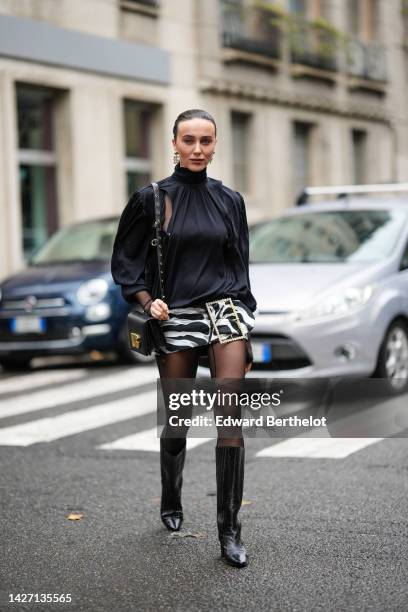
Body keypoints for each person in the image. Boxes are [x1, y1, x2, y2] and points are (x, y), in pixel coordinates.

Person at [111, 109, 257, 568]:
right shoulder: (151, 199)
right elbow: (126, 263)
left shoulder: (230, 200)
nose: (197, 149)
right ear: (174, 143)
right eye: (189, 140)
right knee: (178, 421)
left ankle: (229, 531)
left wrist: (243, 325)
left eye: (206, 141)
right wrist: (146, 299)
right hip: (175, 315)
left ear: (216, 145)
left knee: (230, 417)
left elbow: (240, 267)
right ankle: (170, 494)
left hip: (224, 313)